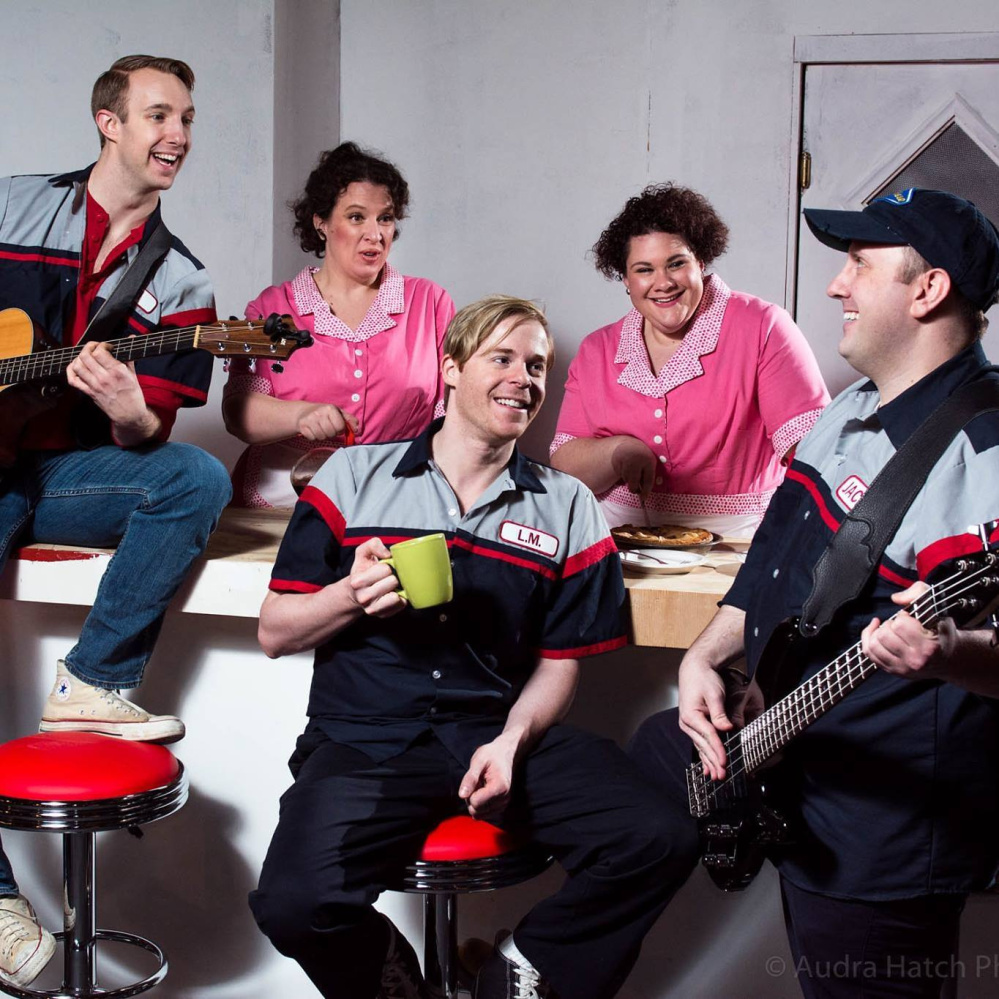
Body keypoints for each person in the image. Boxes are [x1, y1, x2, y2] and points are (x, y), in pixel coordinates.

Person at [248, 295, 692, 999]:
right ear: (450, 368)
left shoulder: (568, 504)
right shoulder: (350, 477)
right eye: (502, 357)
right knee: (294, 904)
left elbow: (558, 661)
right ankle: (405, 989)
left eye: (537, 365)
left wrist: (513, 740)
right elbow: (275, 630)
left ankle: (520, 968)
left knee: (657, 835)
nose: (524, 377)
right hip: (365, 739)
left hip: (493, 731)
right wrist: (349, 596)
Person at [632, 188, 999, 998]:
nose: (837, 285)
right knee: (633, 776)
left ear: (926, 289)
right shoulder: (851, 407)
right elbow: (774, 559)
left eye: (858, 265)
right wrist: (704, 653)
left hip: (886, 830)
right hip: (793, 761)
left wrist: (948, 653)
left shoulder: (987, 449)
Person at [0, 55, 231, 987]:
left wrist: (133, 412)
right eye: (157, 114)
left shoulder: (182, 281)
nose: (176, 134)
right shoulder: (14, 204)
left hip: (58, 471)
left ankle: (93, 678)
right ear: (107, 122)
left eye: (186, 117)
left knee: (192, 478)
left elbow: (155, 431)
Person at [551, 183, 829, 536]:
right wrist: (618, 451)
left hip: (738, 543)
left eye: (676, 263)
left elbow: (814, 453)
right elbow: (565, 468)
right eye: (644, 269)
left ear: (700, 262)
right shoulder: (597, 349)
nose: (662, 282)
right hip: (616, 539)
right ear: (625, 279)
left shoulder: (763, 326)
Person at [222, 141, 455, 508]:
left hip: (397, 501)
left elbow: (455, 416)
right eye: (356, 217)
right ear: (322, 223)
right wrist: (301, 414)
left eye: (386, 218)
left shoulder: (431, 303)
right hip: (281, 505)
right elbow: (239, 413)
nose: (375, 234)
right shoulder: (270, 307)